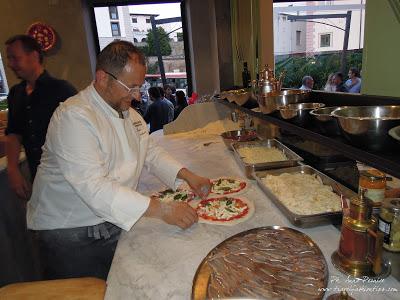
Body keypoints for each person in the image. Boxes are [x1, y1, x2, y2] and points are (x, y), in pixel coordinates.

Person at [27, 41, 211, 280]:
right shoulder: (74, 117)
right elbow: (93, 185)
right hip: (71, 230)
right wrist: (160, 209)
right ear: (103, 78)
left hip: (110, 217)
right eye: (131, 87)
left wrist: (188, 175)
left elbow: (150, 152)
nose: (136, 96)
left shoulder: (127, 113)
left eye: (140, 87)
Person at [5, 34, 77, 199]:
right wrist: (13, 169)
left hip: (66, 178)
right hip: (37, 177)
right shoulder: (16, 93)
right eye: (9, 59)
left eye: (15, 58)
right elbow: (14, 134)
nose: (10, 64)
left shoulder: (62, 90)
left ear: (34, 56)